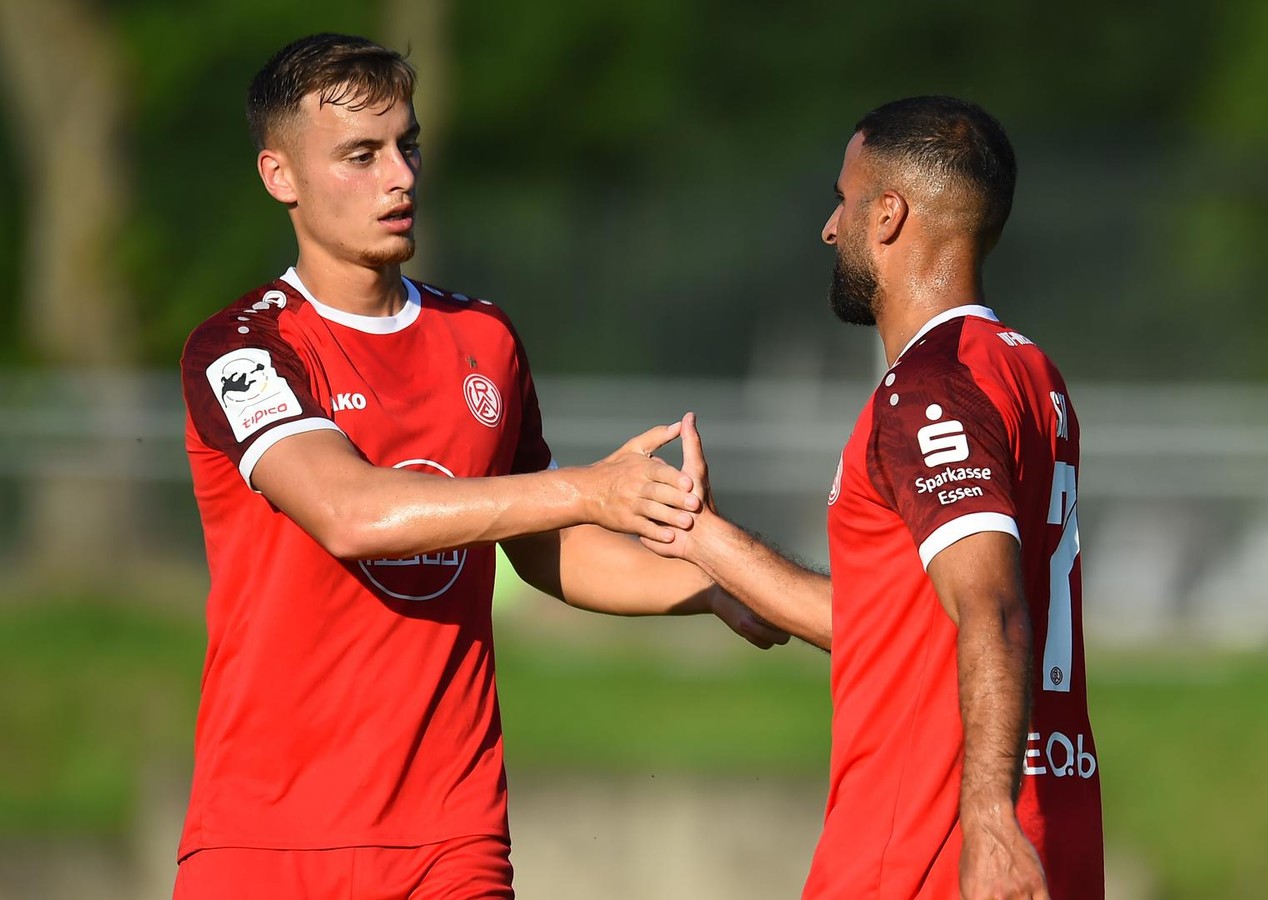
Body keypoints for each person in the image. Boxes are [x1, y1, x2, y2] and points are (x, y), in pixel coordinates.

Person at [174, 33, 783, 899]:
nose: (401, 177)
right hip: (264, 841)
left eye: (407, 144)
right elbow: (351, 516)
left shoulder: (483, 338)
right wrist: (588, 489)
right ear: (281, 176)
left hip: (450, 840)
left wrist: (711, 586)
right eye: (361, 154)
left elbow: (544, 548)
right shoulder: (242, 347)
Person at [647, 97, 1104, 899]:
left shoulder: (927, 392)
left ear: (888, 215)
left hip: (924, 860)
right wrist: (700, 536)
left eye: (844, 200)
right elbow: (896, 622)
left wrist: (989, 820)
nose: (831, 228)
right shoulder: (1027, 373)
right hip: (1051, 845)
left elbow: (991, 610)